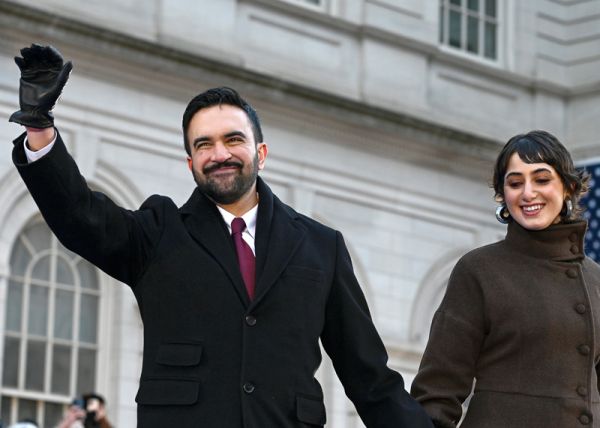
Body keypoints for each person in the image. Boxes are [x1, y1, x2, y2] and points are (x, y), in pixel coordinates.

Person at [9, 44, 434, 428]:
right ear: (190, 162)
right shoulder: (158, 232)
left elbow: (369, 376)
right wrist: (40, 129)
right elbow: (80, 215)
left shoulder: (321, 247)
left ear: (261, 154)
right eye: (204, 145)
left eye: (233, 139)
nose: (220, 154)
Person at [411, 130, 600, 427]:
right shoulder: (478, 269)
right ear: (502, 195)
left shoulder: (595, 279)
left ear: (568, 188)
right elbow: (437, 390)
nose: (527, 193)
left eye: (541, 179)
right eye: (515, 183)